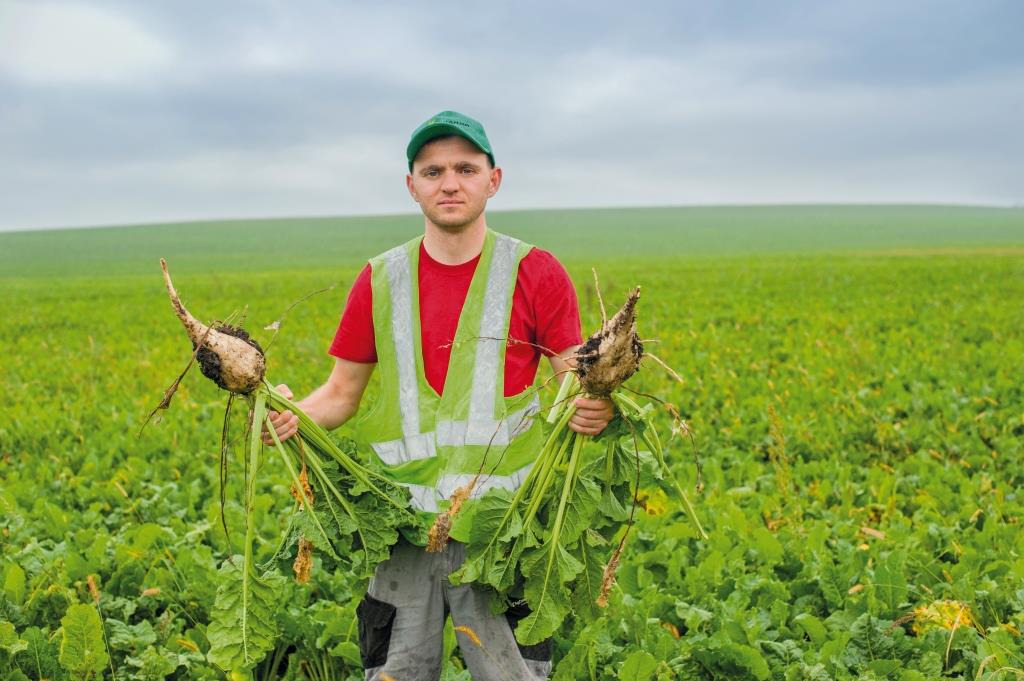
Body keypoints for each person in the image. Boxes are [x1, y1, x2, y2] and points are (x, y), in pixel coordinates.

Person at [265, 110, 613, 681]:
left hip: (503, 533)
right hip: (401, 532)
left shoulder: (537, 271)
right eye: (432, 172)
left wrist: (594, 405)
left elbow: (571, 382)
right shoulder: (380, 278)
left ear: (492, 180)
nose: (449, 183)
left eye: (464, 169)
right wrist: (290, 415)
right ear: (412, 186)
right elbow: (339, 394)